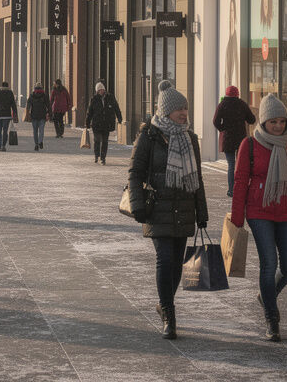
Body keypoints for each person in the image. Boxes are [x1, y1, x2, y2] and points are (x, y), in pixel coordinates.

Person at [128, 81, 208, 340]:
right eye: (178, 109)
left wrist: (202, 212)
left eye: (185, 108)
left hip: (184, 208)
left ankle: (163, 305)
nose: (184, 113)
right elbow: (135, 172)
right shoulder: (148, 136)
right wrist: (136, 204)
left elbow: (198, 177)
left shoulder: (190, 138)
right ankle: (170, 316)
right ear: (166, 111)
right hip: (157, 208)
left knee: (177, 265)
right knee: (165, 259)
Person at [231, 93, 287, 342]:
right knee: (269, 263)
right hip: (259, 211)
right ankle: (272, 318)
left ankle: (267, 294)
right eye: (273, 122)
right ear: (263, 122)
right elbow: (240, 181)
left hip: (286, 210)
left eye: (281, 122)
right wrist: (237, 218)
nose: (278, 126)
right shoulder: (249, 145)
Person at [213, 85, 256, 198]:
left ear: (226, 94)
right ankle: (241, 189)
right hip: (241, 139)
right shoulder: (242, 104)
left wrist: (223, 128)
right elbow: (252, 120)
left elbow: (215, 121)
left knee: (231, 165)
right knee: (241, 165)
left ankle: (231, 190)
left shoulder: (222, 105)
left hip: (228, 139)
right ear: (237, 94)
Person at [85, 82, 123, 165]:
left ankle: (103, 158)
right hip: (96, 123)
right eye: (99, 90)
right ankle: (97, 156)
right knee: (97, 140)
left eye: (102, 89)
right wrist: (87, 122)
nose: (101, 91)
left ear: (104, 89)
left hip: (106, 123)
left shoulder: (110, 97)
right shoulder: (94, 99)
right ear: (97, 91)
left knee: (105, 141)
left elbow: (116, 108)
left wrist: (119, 118)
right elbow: (90, 112)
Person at [0, 81, 19, 152]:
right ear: (8, 86)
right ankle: (3, 145)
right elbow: (13, 105)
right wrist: (15, 115)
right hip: (7, 115)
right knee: (5, 131)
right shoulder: (10, 93)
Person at [26, 84, 50, 151]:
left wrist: (27, 113)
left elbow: (28, 105)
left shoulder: (32, 96)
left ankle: (36, 144)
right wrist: (49, 113)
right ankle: (40, 141)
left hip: (34, 115)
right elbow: (48, 105)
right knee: (41, 130)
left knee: (35, 131)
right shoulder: (44, 96)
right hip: (42, 115)